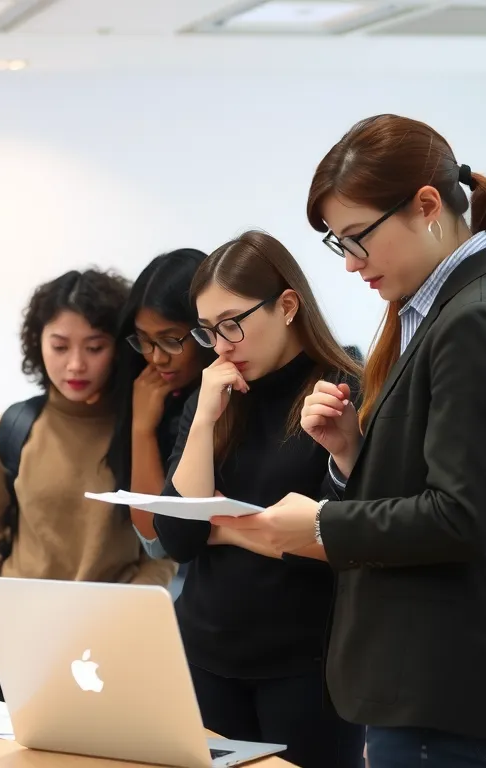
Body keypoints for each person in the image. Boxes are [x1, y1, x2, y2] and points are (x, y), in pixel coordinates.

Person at [214, 114, 486, 767]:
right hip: (421, 676)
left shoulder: (479, 319)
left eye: (358, 238)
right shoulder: (445, 310)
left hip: (439, 674)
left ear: (427, 206)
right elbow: (439, 487)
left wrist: (322, 525)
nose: (353, 264)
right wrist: (353, 451)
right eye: (339, 245)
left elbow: (461, 519)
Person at [154, 231, 364, 768]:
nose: (221, 345)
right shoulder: (216, 396)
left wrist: (219, 524)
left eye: (232, 323)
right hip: (203, 653)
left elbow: (331, 537)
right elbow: (178, 537)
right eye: (207, 331)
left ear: (287, 305)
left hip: (306, 664)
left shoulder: (341, 391)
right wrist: (202, 419)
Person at [0, 268, 177, 701]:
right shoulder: (14, 428)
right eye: (59, 346)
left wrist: (120, 618)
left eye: (94, 347)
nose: (75, 364)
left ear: (119, 348)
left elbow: (162, 552)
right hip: (17, 642)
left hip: (108, 645)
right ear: (38, 344)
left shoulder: (146, 431)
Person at [104, 248, 215, 571]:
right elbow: (155, 539)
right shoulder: (148, 394)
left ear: (206, 331)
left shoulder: (227, 396)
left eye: (170, 340)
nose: (156, 357)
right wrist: (142, 429)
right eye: (144, 340)